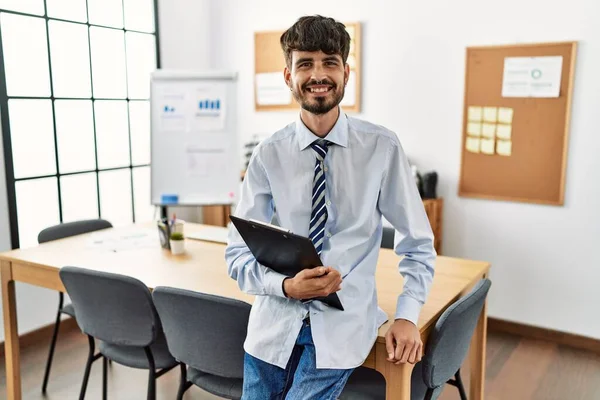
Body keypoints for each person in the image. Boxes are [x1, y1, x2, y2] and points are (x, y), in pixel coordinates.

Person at [226, 15, 436, 400]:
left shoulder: (382, 149)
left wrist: (407, 314)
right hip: (273, 324)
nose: (317, 74)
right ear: (288, 76)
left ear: (346, 72)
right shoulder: (268, 155)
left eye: (330, 62)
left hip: (343, 326)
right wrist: (285, 285)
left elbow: (418, 243)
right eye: (305, 63)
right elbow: (237, 253)